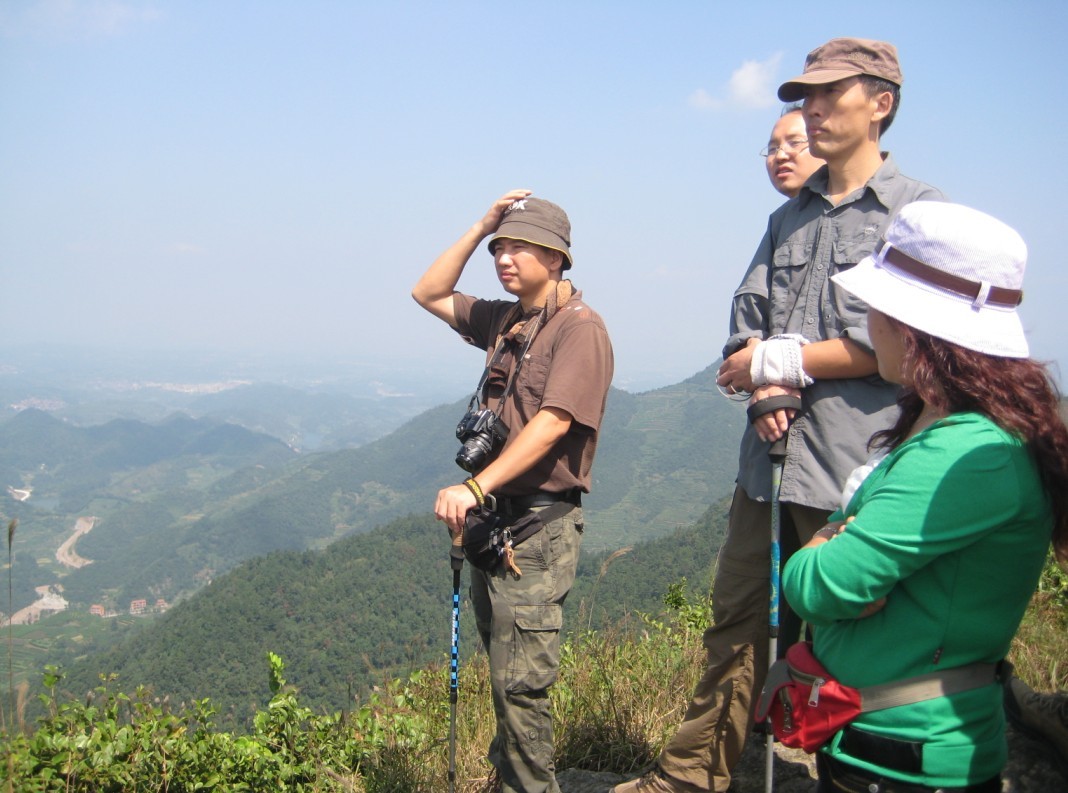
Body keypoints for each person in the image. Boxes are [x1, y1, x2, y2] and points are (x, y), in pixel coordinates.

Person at [614, 37, 942, 793]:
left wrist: (779, 360)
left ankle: (840, 774)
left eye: (830, 95)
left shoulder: (916, 212)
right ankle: (693, 774)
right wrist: (764, 383)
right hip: (766, 468)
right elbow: (744, 325)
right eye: (806, 97)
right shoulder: (786, 219)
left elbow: (895, 343)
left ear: (881, 104)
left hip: (856, 469)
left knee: (849, 634)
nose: (812, 110)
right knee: (735, 626)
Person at [781, 200, 1068, 792]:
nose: (868, 324)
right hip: (881, 741)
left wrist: (818, 549)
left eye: (875, 308)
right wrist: (837, 540)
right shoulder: (948, 423)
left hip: (904, 756)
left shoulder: (970, 454)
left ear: (914, 328)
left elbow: (821, 585)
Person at [411, 190, 613, 793]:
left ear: (557, 257)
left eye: (522, 246)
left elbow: (553, 423)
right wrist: (481, 225)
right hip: (496, 524)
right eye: (501, 247)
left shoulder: (581, 330)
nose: (505, 256)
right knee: (504, 675)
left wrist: (476, 484)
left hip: (538, 530)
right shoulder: (509, 320)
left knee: (522, 685)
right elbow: (428, 293)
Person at [764, 104, 824, 199]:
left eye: (795, 142)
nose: (780, 156)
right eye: (772, 149)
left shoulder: (853, 207)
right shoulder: (781, 214)